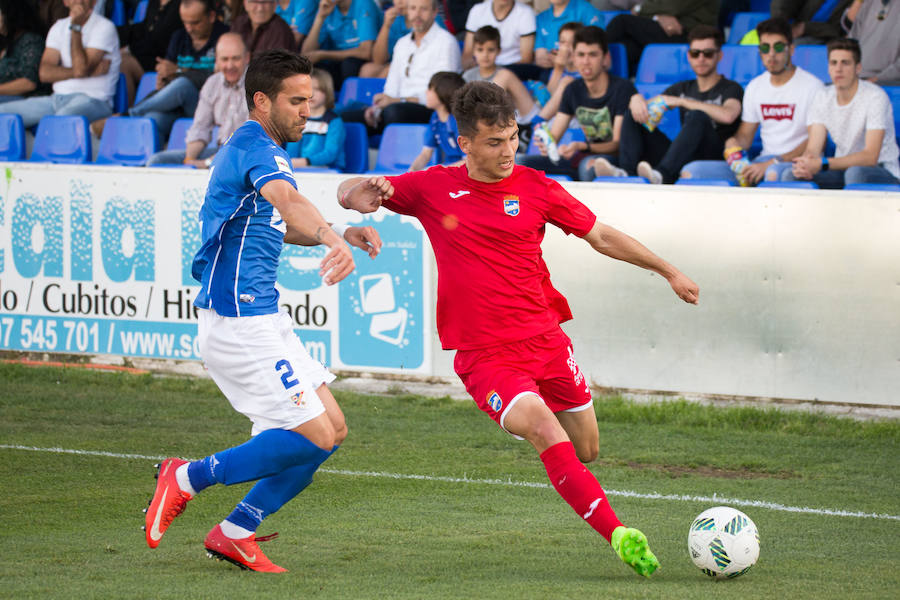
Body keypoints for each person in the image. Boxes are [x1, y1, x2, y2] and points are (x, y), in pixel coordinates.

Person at [336, 79, 699, 579]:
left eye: (513, 138)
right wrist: (360, 194)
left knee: (587, 449)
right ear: (463, 142)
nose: (508, 151)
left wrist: (669, 271)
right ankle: (619, 533)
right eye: (494, 142)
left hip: (547, 342)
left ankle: (525, 412)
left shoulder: (536, 186)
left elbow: (602, 235)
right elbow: (347, 193)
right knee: (546, 430)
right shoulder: (433, 187)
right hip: (485, 355)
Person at [143, 48, 386, 573]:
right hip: (236, 323)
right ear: (262, 101)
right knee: (314, 433)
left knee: (332, 432)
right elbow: (293, 205)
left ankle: (236, 531)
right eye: (297, 101)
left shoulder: (267, 148)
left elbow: (282, 221)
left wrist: (339, 233)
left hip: (264, 317)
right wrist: (330, 239)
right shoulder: (255, 146)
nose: (307, 111)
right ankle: (185, 477)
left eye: (310, 101)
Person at [681, 18, 824, 185]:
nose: (771, 54)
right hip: (762, 161)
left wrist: (773, 162)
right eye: (765, 48)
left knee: (772, 174)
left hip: (796, 163)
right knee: (692, 171)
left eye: (778, 47)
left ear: (791, 50)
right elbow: (745, 137)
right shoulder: (755, 86)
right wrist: (733, 143)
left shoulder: (813, 87)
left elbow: (813, 143)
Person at [598, 25, 743, 184]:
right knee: (633, 116)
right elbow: (646, 109)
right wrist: (636, 100)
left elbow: (729, 115)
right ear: (688, 56)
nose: (701, 58)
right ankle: (627, 173)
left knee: (696, 116)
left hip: (714, 155)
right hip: (684, 154)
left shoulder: (731, 88)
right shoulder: (682, 87)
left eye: (708, 54)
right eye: (695, 53)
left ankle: (662, 174)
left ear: (719, 55)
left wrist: (683, 101)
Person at [519, 25, 635, 181]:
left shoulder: (622, 88)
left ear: (605, 58)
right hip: (582, 158)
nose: (586, 62)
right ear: (573, 57)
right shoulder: (572, 90)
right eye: (581, 55)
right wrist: (547, 144)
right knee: (520, 162)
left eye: (592, 55)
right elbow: (555, 136)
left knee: (587, 165)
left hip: (616, 162)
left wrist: (582, 147)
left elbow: (617, 145)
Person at [781, 38, 900, 187]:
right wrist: (806, 164)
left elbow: (871, 157)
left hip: (881, 170)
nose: (838, 69)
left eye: (845, 63)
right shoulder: (823, 96)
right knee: (791, 175)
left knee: (855, 174)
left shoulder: (875, 96)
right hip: (841, 167)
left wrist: (823, 163)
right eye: (833, 63)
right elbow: (813, 148)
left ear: (858, 68)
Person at [342, 0, 460, 135]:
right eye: (413, 8)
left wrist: (398, 101)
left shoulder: (446, 42)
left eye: (424, 9)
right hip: (397, 107)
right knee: (346, 118)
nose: (417, 14)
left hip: (430, 109)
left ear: (434, 13)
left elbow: (443, 93)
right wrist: (377, 108)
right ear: (407, 11)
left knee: (394, 112)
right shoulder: (402, 44)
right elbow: (391, 88)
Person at [119, 0, 229, 140]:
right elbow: (169, 76)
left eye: (195, 23)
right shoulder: (179, 36)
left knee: (183, 84)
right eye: (185, 22)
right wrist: (164, 79)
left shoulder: (225, 38)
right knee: (152, 119)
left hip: (210, 107)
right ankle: (150, 161)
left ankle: (129, 115)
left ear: (212, 16)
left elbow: (219, 77)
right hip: (177, 107)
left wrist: (178, 71)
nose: (189, 28)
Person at [1, 0, 120, 128]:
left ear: (94, 2)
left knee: (59, 122)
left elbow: (81, 69)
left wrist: (76, 28)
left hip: (94, 101)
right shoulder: (58, 27)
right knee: (2, 113)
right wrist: (85, 72)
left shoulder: (104, 27)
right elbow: (44, 74)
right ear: (65, 2)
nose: (79, 1)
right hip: (56, 99)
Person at [147, 33, 250, 166]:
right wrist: (190, 160)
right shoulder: (212, 83)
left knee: (218, 162)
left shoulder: (257, 83)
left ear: (247, 57)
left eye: (235, 59)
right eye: (224, 59)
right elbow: (200, 128)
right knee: (157, 161)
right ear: (217, 60)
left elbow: (250, 138)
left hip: (247, 155)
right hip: (218, 152)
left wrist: (207, 162)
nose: (229, 65)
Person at [605, 0, 718, 77]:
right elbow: (660, 6)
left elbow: (671, 7)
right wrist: (657, 17)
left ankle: (597, 57)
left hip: (693, 38)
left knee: (622, 21)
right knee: (628, 47)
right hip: (670, 32)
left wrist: (640, 8)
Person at [463, 26, 540, 128]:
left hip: (520, 119)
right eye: (480, 50)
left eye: (490, 50)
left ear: (498, 51)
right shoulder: (468, 76)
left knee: (505, 76)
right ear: (473, 51)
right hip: (489, 125)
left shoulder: (504, 74)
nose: (485, 55)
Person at [301, 0, 381, 92]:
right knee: (311, 67)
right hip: (338, 63)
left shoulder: (363, 3)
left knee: (349, 64)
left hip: (361, 63)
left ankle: (349, 103)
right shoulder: (328, 8)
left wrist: (322, 54)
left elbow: (366, 52)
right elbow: (307, 54)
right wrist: (320, 17)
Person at [116, 0, 182, 104]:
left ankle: (128, 113)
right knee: (115, 57)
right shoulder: (155, 2)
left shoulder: (182, 5)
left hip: (168, 61)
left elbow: (161, 39)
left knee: (123, 63)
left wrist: (129, 49)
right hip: (148, 55)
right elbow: (144, 28)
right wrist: (113, 33)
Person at [286, 68, 346, 169]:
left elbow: (330, 154)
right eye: (307, 89)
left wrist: (305, 162)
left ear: (327, 92)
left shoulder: (334, 121)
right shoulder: (297, 120)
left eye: (317, 89)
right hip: (302, 169)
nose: (312, 94)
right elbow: (292, 151)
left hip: (330, 170)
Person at [462, 0, 536, 80]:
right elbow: (467, 53)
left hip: (514, 69)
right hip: (482, 67)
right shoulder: (477, 10)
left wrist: (495, 71)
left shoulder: (525, 13)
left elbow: (526, 59)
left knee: (502, 76)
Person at [408, 71, 465, 171]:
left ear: (443, 93)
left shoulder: (458, 121)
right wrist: (411, 172)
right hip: (450, 170)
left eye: (430, 89)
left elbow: (470, 161)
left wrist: (440, 171)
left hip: (466, 176)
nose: (426, 92)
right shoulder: (435, 117)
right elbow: (426, 154)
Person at [534, 0, 601, 74]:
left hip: (580, 73)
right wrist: (554, 61)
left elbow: (597, 52)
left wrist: (567, 60)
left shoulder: (586, 9)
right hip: (549, 72)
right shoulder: (541, 18)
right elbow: (540, 56)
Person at [842, 0, 900, 84]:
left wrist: (876, 79)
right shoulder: (868, 3)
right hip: (858, 79)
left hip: (888, 83)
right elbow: (852, 43)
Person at [0, 0, 46, 101]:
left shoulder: (31, 41)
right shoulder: (6, 43)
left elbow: (29, 83)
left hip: (28, 100)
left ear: (10, 16)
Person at [771, 0, 853, 45]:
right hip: (794, 29)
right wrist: (780, 25)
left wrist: (805, 28)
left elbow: (842, 30)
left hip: (826, 37)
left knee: (786, 47)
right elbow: (784, 4)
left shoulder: (858, 3)